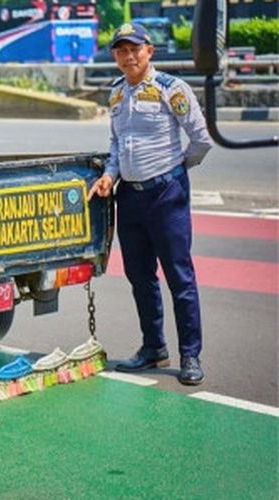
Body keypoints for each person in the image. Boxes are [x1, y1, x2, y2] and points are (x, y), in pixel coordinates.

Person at [87, 23, 213, 385]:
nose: (128, 56)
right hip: (129, 197)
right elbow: (117, 143)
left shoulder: (171, 89)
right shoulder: (116, 94)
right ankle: (154, 348)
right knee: (140, 277)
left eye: (134, 49)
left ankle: (190, 354)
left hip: (165, 194)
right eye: (121, 50)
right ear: (114, 56)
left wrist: (174, 170)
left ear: (149, 51)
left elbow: (201, 140)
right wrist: (110, 174)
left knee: (180, 277)